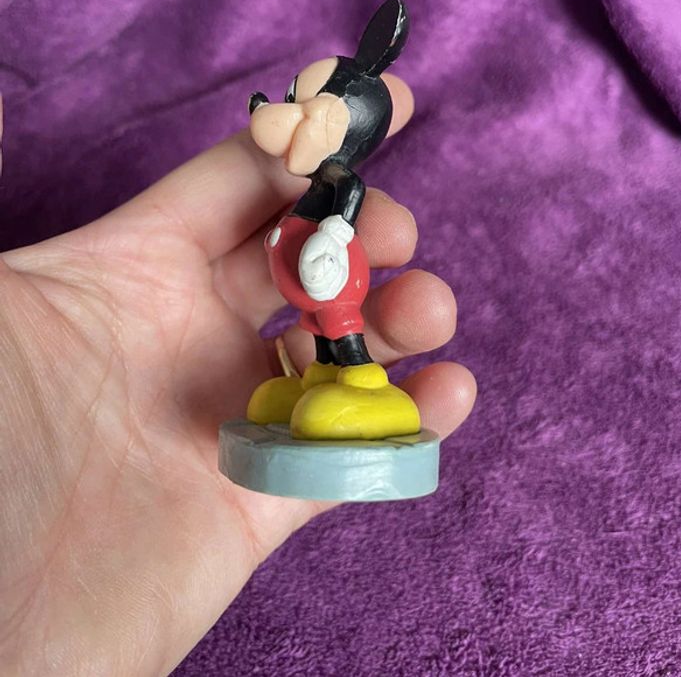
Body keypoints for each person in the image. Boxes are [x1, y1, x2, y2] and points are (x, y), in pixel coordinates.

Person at [0, 76, 477, 675]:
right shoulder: (314, 180)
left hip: (331, 282)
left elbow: (347, 207)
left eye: (310, 108)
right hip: (305, 291)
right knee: (317, 339)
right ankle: (322, 382)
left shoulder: (340, 182)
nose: (291, 113)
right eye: (295, 97)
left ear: (347, 128)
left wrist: (331, 239)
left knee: (341, 331)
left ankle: (364, 385)